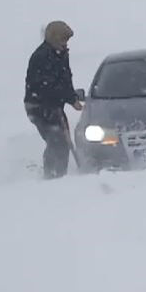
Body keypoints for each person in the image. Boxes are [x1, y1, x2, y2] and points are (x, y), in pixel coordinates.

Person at [24, 21, 83, 179]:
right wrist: (69, 99)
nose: (66, 43)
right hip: (38, 106)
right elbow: (47, 85)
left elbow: (65, 80)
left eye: (67, 40)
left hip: (54, 104)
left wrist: (73, 98)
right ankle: (52, 176)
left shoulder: (61, 54)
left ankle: (59, 175)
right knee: (57, 141)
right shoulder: (41, 57)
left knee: (62, 139)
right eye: (63, 39)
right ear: (54, 38)